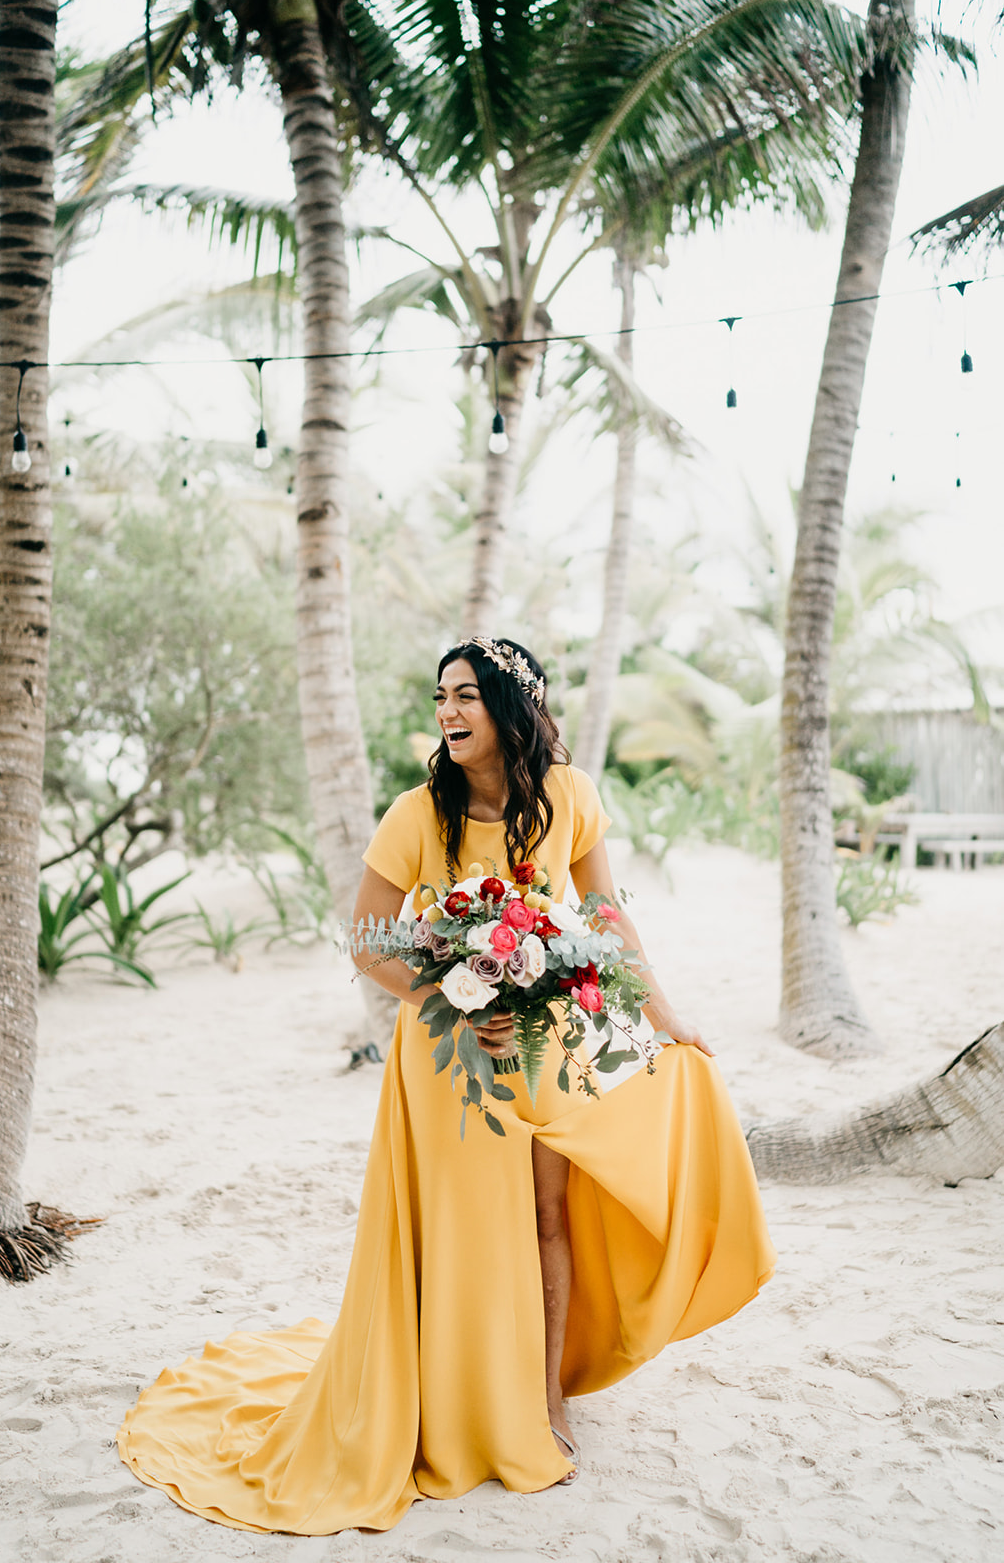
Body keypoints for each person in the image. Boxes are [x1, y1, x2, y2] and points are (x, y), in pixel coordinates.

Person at [117, 637, 775, 1536]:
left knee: (546, 1221)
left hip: (547, 1047)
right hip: (450, 1057)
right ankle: (449, 1396)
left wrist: (667, 1018)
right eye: (440, 699)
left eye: (466, 695)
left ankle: (543, 1399)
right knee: (465, 1233)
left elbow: (608, 921)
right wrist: (453, 1002)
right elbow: (366, 940)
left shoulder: (572, 798)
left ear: (511, 704)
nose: (448, 713)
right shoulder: (414, 813)